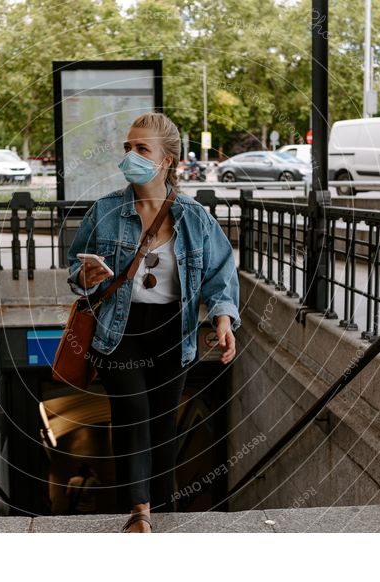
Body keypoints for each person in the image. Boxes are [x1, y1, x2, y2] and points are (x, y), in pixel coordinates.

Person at [65, 112, 240, 533]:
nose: (131, 156)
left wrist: (222, 319)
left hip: (172, 331)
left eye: (142, 149)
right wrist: (84, 275)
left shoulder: (195, 217)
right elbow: (77, 268)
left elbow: (220, 271)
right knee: (132, 411)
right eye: (128, 147)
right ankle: (139, 513)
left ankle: (165, 511)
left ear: (166, 161)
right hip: (117, 330)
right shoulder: (105, 211)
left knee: (163, 424)